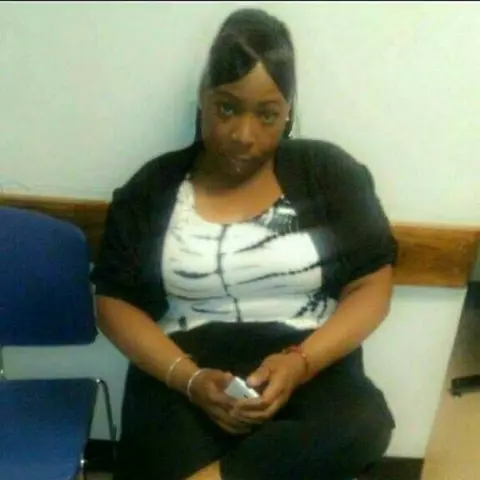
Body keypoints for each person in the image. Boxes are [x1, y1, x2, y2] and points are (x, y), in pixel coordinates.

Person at [91, 7, 397, 480]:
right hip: (186, 363)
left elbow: (372, 283)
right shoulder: (153, 187)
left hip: (305, 360)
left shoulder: (327, 174)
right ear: (203, 99)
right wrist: (190, 380)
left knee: (364, 423)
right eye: (227, 108)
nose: (243, 136)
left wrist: (300, 364)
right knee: (155, 449)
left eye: (267, 115)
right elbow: (114, 302)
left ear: (288, 112)